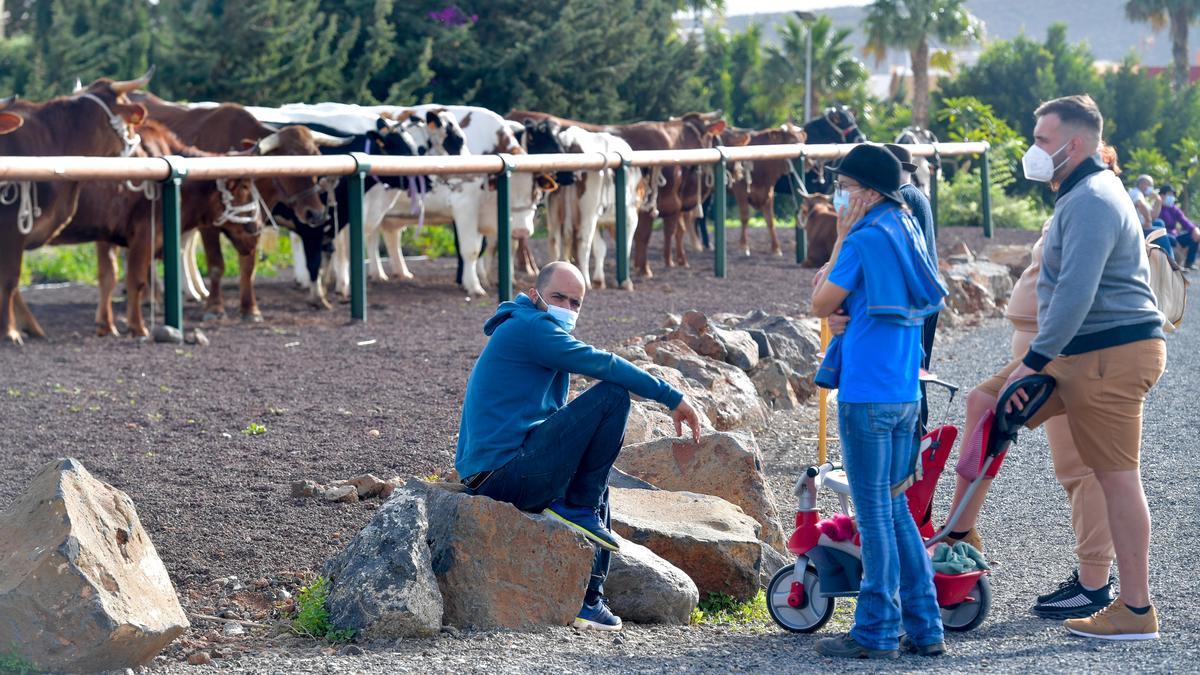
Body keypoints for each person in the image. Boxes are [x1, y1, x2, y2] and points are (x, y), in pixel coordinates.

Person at [946, 95, 1167, 640]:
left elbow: (1075, 293)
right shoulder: (1079, 193)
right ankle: (958, 537)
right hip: (1078, 352)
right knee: (984, 402)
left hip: (1107, 354)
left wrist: (1033, 362)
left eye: (1043, 141)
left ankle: (1134, 610)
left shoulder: (1093, 197)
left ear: (1076, 144)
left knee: (1116, 477)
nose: (1034, 151)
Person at [455, 261, 702, 632]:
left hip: (504, 467)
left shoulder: (530, 325)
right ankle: (582, 534)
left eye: (575, 303)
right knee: (612, 397)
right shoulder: (532, 328)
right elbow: (606, 364)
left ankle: (589, 599)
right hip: (501, 473)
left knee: (593, 472)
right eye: (558, 297)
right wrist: (672, 397)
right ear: (535, 295)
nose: (567, 308)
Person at [810, 144, 948, 659]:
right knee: (896, 509)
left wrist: (840, 238)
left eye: (844, 187)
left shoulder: (864, 236)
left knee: (873, 515)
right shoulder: (907, 227)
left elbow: (821, 301)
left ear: (868, 193)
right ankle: (926, 626)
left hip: (866, 392)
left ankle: (876, 630)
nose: (838, 196)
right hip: (906, 391)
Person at [885, 143, 940, 436]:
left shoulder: (903, 198)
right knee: (917, 371)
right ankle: (919, 438)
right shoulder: (917, 195)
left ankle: (916, 441)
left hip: (912, 298)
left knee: (909, 375)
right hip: (927, 295)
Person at [1157, 185, 1198, 268]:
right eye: (1169, 194)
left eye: (1173, 195)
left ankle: (1189, 263)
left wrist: (1194, 229)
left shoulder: (1174, 209)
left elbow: (1184, 221)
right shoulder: (1157, 208)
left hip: (1175, 237)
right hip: (1164, 237)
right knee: (1168, 240)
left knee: (1194, 235)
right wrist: (1174, 241)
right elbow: (1157, 229)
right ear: (1162, 195)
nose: (1172, 197)